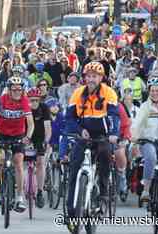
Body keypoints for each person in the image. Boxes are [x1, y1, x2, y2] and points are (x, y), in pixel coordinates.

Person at [64, 62, 119, 226]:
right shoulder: (77, 94)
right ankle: (71, 210)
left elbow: (113, 116)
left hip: (102, 136)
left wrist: (114, 134)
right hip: (83, 136)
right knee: (74, 166)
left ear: (101, 78)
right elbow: (70, 118)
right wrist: (80, 131)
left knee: (104, 156)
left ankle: (103, 194)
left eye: (94, 76)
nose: (91, 79)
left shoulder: (109, 93)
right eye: (88, 76)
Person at [131, 77, 158, 214]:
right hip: (148, 141)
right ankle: (146, 190)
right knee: (151, 157)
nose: (154, 93)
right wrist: (134, 137)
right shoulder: (145, 107)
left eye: (157, 90)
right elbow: (137, 124)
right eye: (152, 90)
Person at [0, 76, 35, 212]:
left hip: (18, 135)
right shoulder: (2, 100)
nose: (17, 92)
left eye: (20, 89)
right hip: (1, 134)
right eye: (14, 90)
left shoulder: (24, 101)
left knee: (18, 162)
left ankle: (19, 197)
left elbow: (30, 123)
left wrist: (28, 137)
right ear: (9, 90)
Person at [26, 88, 52, 208]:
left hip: (40, 137)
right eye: (31, 100)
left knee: (40, 162)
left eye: (36, 100)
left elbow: (48, 127)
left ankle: (40, 191)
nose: (34, 103)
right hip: (27, 136)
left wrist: (46, 141)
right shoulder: (24, 108)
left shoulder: (44, 108)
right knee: (20, 160)